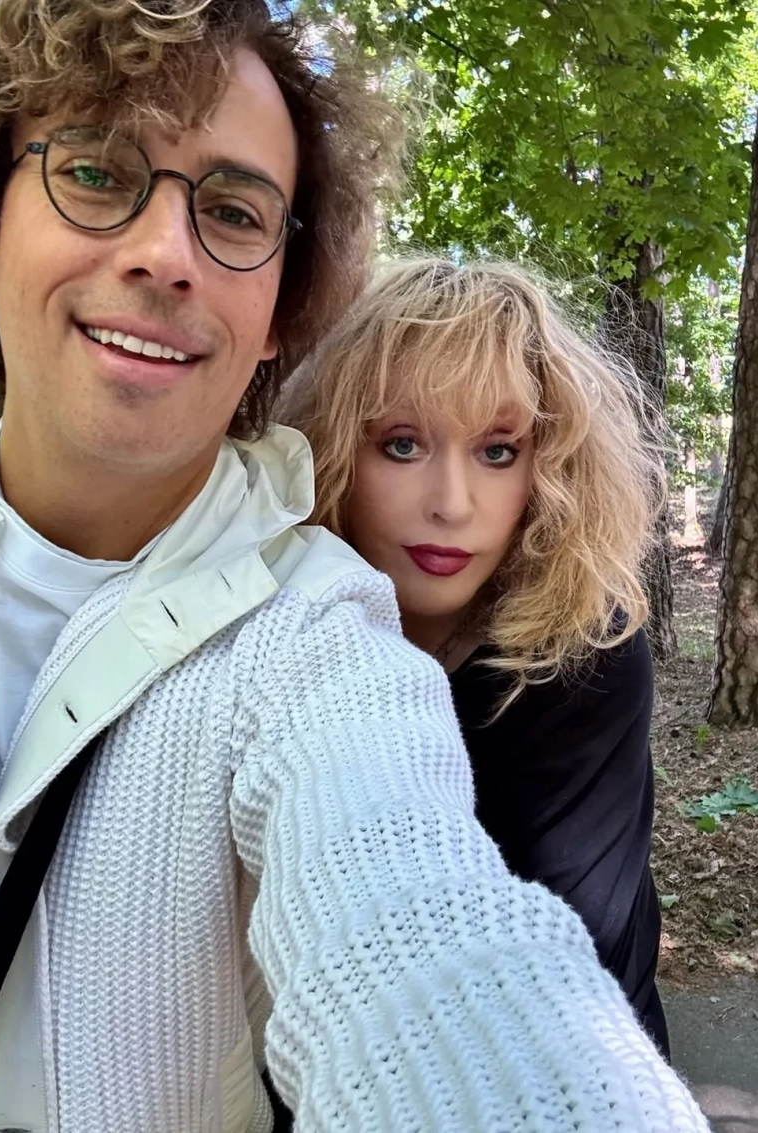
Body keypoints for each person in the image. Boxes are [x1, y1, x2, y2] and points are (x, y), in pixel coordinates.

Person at [0, 1, 708, 1129]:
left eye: (233, 211)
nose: (165, 252)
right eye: (95, 174)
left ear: (280, 309)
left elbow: (427, 942)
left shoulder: (320, 642)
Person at [284, 256, 671, 1057]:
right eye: (401, 444)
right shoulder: (285, 637)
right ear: (332, 447)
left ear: (548, 465)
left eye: (497, 451)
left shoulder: (584, 650)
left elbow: (562, 972)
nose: (452, 504)